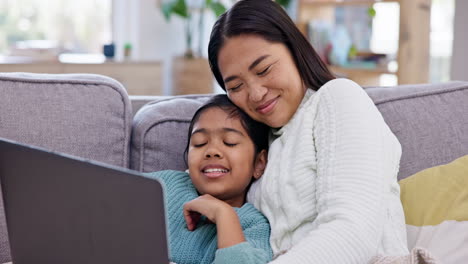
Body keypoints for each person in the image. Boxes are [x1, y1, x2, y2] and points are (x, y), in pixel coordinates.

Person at [207, 0, 409, 263]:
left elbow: (352, 230)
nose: (255, 94)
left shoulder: (339, 98)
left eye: (264, 69)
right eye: (235, 87)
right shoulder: (261, 144)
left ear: (294, 48)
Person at [144, 95, 273, 264]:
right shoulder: (164, 185)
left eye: (230, 142)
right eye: (199, 143)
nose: (212, 151)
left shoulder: (253, 225)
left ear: (259, 163)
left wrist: (224, 215)